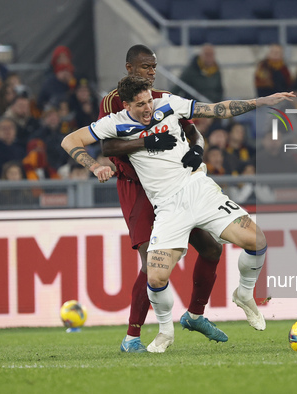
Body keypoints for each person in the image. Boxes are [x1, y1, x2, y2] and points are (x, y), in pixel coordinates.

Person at [62, 74, 294, 353]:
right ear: (125, 105)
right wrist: (93, 166)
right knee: (156, 277)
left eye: (149, 101)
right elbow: (70, 140)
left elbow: (217, 108)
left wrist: (261, 101)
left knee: (257, 241)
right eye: (140, 105)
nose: (148, 108)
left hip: (200, 191)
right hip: (169, 208)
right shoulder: (113, 123)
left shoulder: (169, 104)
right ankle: (165, 332)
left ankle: (244, 293)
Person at [98, 45, 228, 352]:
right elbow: (109, 146)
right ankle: (132, 337)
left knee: (211, 247)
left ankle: (195, 315)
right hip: (138, 188)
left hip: (173, 185)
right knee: (151, 263)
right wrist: (147, 141)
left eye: (154, 67)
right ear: (129, 68)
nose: (151, 72)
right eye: (145, 67)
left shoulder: (163, 98)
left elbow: (193, 132)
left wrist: (197, 149)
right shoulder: (111, 102)